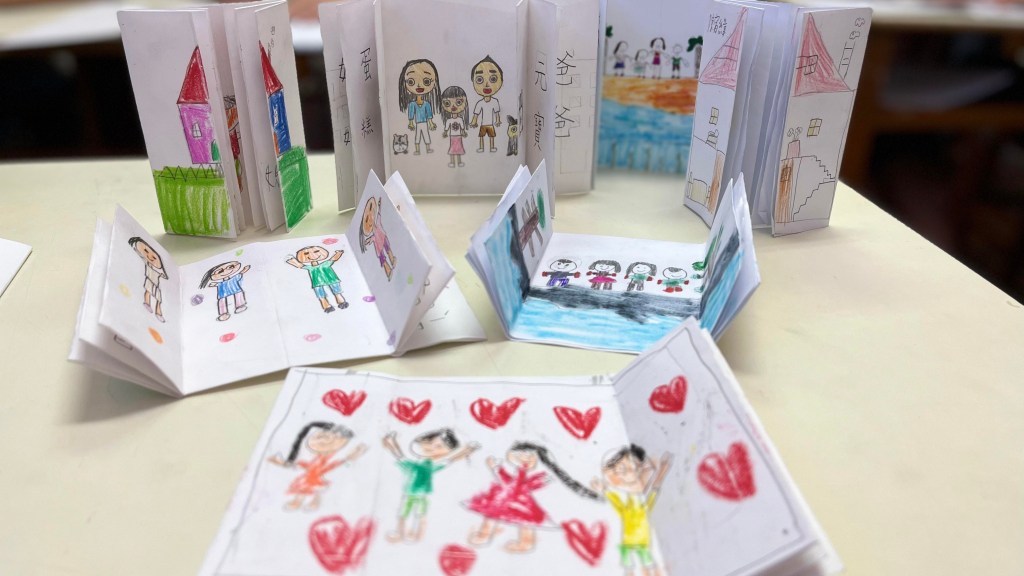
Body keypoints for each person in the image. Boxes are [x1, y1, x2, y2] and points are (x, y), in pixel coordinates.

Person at [467, 442, 598, 553]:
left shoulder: (535, 472)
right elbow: (511, 483)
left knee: (522, 520)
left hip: (522, 503)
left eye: (528, 456)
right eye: (519, 455)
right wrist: (497, 468)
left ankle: (524, 543)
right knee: (493, 511)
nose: (523, 459)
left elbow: (518, 486)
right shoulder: (521, 470)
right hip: (510, 498)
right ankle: (485, 535)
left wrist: (498, 469)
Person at [383, 429, 479, 542]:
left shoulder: (428, 466)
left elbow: (450, 459)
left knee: (416, 514)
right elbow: (399, 455)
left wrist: (468, 450)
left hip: (419, 494)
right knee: (407, 513)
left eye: (439, 446)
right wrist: (392, 441)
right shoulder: (415, 464)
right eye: (429, 443)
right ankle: (403, 533)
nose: (431, 448)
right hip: (411, 493)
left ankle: (413, 535)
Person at [591, 445, 672, 576]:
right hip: (630, 540)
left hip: (640, 540)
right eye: (621, 470)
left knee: (645, 565)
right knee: (632, 565)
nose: (629, 473)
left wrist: (661, 472)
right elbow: (620, 505)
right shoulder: (630, 501)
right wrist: (604, 490)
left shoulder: (638, 501)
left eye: (633, 467)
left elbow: (651, 495)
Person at [267, 421, 367, 511]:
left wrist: (352, 456)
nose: (326, 441)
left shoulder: (330, 456)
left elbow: (333, 465)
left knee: (310, 488)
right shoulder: (317, 455)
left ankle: (309, 502)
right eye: (323, 436)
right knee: (306, 488)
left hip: (317, 475)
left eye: (337, 438)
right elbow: (308, 465)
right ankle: (302, 501)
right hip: (312, 474)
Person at [285, 246, 348, 313]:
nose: (312, 255)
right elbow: (300, 265)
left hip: (331, 279)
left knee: (336, 290)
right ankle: (327, 306)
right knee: (320, 293)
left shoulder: (326, 264)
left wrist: (339, 253)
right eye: (306, 254)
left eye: (316, 251)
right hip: (318, 282)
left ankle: (341, 302)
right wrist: (293, 261)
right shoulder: (311, 268)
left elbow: (334, 258)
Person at [398, 59, 441, 155]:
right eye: (411, 81)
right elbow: (411, 114)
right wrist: (411, 123)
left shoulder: (427, 104)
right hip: (417, 123)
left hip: (425, 123)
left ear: (434, 82)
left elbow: (429, 115)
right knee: (417, 136)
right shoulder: (412, 104)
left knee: (426, 135)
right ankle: (417, 150)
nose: (418, 85)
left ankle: (428, 149)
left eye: (426, 81)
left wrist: (431, 123)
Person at [128, 236, 168, 323]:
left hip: (156, 284)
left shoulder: (159, 268)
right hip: (149, 279)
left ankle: (158, 313)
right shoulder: (147, 262)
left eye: (154, 257)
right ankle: (147, 303)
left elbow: (164, 276)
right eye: (145, 252)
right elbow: (140, 255)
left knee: (158, 299)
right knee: (148, 291)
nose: (149, 256)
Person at [469, 56, 503, 153]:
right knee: (481, 136)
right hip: (483, 124)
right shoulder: (480, 103)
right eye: (479, 80)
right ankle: (481, 148)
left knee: (492, 137)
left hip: (491, 124)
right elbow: (476, 114)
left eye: (493, 79)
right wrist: (473, 122)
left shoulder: (495, 101)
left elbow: (497, 113)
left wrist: (498, 121)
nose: (487, 85)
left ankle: (492, 147)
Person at [358, 196, 397, 281]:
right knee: (382, 257)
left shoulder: (378, 222)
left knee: (387, 249)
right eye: (367, 219)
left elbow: (379, 214)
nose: (370, 218)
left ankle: (392, 260)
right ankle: (388, 271)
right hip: (378, 245)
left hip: (382, 238)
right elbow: (372, 238)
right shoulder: (375, 230)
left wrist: (379, 205)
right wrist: (367, 241)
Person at [440, 85, 469, 168]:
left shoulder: (460, 119)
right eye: (447, 103)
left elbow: (462, 128)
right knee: (452, 149)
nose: (453, 106)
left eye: (458, 102)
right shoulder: (449, 120)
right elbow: (446, 129)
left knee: (459, 149)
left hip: (458, 136)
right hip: (452, 136)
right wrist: (445, 133)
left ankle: (459, 162)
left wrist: (463, 133)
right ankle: (452, 162)